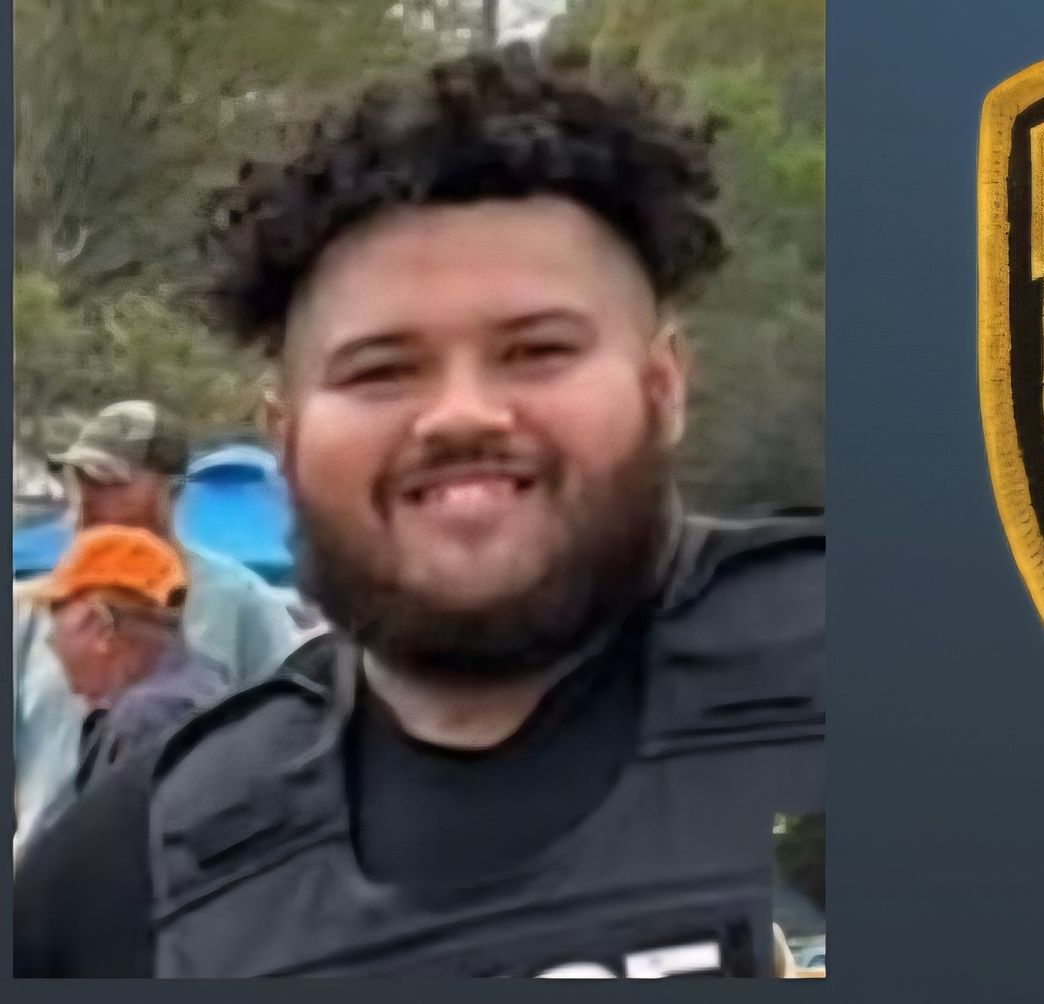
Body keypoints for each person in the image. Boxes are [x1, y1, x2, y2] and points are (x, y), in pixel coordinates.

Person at [15, 43, 823, 978]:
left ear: (663, 386)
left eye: (537, 351)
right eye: (383, 371)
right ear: (285, 437)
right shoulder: (138, 884)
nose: (461, 415)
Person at [12, 401, 302, 847]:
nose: (86, 501)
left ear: (172, 491)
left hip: (179, 875)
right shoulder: (30, 610)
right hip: (41, 877)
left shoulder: (241, 605)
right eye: (78, 479)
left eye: (111, 483)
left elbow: (290, 747)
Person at [35, 527, 225, 797]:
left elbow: (112, 823)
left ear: (102, 627)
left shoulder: (145, 719)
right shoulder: (211, 678)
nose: (52, 642)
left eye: (57, 616)